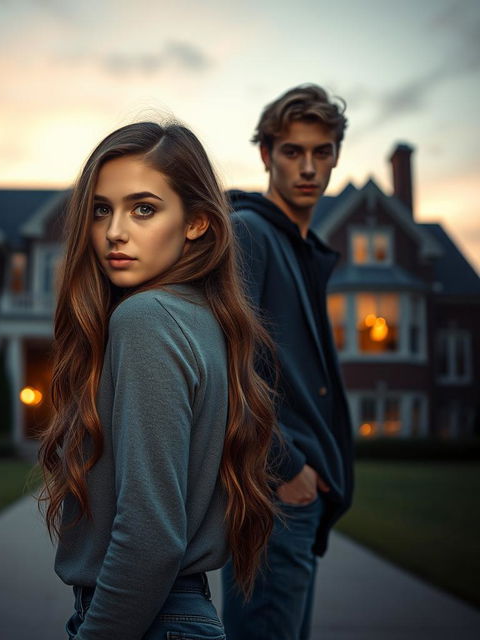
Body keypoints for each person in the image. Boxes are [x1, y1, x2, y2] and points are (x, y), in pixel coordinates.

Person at [38, 121, 279, 640]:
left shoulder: (146, 319)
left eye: (143, 208)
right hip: (176, 614)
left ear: (196, 223)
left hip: (147, 620)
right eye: (102, 209)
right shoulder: (201, 317)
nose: (114, 232)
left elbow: (150, 537)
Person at [221, 84, 355, 640]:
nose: (308, 167)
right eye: (292, 152)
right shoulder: (249, 234)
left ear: (335, 157)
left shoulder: (300, 248)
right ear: (266, 156)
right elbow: (226, 367)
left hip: (297, 504)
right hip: (274, 498)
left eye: (321, 152)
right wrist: (287, 467)